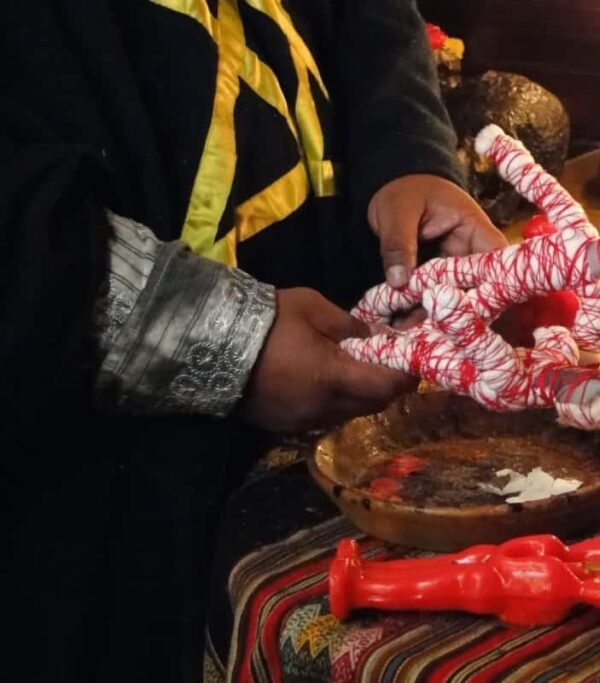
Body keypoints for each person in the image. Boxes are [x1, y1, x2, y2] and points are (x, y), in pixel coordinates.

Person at [0, 1, 505, 680]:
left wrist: (409, 154)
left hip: (346, 468)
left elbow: (371, 21)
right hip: (99, 539)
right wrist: (221, 335)